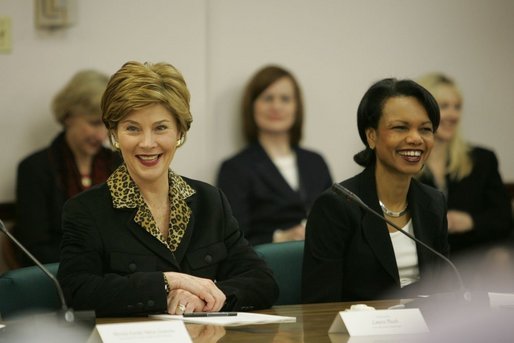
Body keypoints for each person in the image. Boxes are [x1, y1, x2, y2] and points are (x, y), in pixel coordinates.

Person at [57, 61, 278, 317]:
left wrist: (206, 297)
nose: (148, 143)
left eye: (161, 128)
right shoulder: (85, 210)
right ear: (114, 134)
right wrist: (166, 283)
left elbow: (263, 281)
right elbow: (76, 292)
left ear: (179, 132)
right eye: (132, 128)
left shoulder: (209, 201)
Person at [302, 78, 450, 303]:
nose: (415, 138)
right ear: (371, 136)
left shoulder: (433, 202)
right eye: (400, 127)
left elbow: (443, 291)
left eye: (425, 129)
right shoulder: (337, 205)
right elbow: (319, 304)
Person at [13, 70, 121, 266]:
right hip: (60, 279)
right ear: (68, 116)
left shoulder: (120, 164)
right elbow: (35, 249)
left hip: (119, 276)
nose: (101, 136)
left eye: (107, 126)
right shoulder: (35, 169)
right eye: (94, 123)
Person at [217, 65, 332, 246]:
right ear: (252, 106)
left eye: (285, 99)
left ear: (296, 107)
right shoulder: (235, 168)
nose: (276, 106)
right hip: (270, 266)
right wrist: (280, 237)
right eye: (267, 98)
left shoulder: (316, 162)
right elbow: (232, 240)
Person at [416, 73, 512, 258]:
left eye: (457, 107)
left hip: (474, 259)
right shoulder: (406, 162)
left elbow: (503, 219)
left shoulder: (482, 159)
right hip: (428, 263)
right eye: (444, 106)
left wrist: (470, 221)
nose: (453, 115)